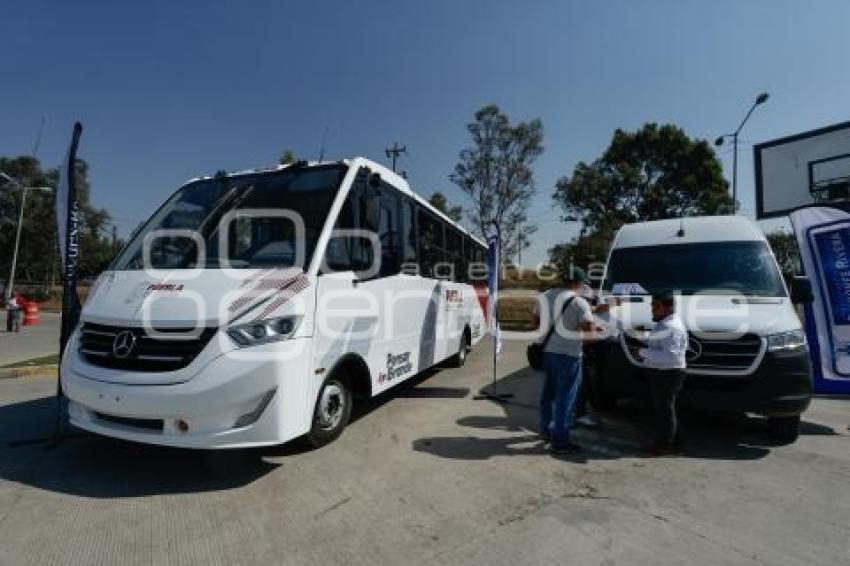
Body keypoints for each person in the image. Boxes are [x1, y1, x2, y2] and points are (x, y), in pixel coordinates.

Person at [532, 266, 598, 454]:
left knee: (548, 394)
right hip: (569, 356)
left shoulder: (544, 297)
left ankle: (545, 430)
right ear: (578, 283)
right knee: (565, 398)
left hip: (548, 353)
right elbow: (590, 335)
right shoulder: (579, 303)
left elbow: (534, 323)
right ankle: (560, 440)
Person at [636, 292, 688, 456]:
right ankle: (670, 442)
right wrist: (638, 336)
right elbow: (657, 341)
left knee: (665, 410)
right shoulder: (664, 323)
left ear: (668, 308)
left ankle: (666, 445)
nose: (652, 309)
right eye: (652, 305)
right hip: (664, 372)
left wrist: (642, 352)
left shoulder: (671, 327)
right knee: (664, 409)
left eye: (656, 306)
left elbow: (670, 356)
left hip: (668, 374)